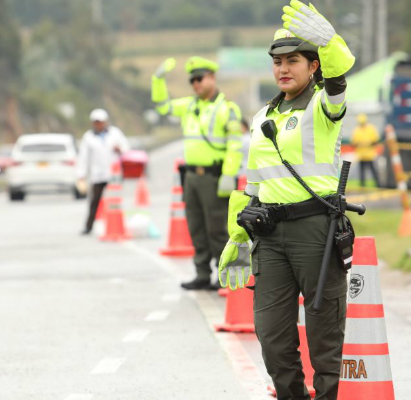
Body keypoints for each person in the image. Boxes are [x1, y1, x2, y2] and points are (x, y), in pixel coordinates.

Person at [218, 1, 355, 398]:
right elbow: (253, 184)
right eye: (277, 61)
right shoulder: (263, 117)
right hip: (270, 236)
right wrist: (237, 238)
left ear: (313, 66)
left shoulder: (323, 107)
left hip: (316, 230)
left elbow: (338, 82)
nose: (282, 69)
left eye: (293, 60)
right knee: (273, 338)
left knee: (324, 333)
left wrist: (330, 43)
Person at [151, 55, 244, 290]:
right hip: (191, 177)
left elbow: (235, 144)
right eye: (192, 80)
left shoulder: (227, 109)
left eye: (200, 79)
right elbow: (163, 106)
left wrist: (229, 174)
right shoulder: (189, 106)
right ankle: (202, 273)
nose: (196, 84)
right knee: (196, 227)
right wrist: (158, 80)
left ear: (212, 78)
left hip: (215, 177)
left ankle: (224, 277)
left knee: (217, 230)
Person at [77, 109, 130, 235]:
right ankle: (88, 226)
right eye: (96, 122)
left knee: (115, 201)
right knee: (94, 201)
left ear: (105, 122)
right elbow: (83, 158)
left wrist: (120, 149)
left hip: (114, 174)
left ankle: (117, 224)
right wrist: (81, 175)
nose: (98, 125)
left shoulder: (115, 133)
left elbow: (126, 148)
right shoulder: (88, 137)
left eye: (100, 122)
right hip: (98, 174)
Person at [350, 113, 381, 187]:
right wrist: (361, 144)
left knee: (374, 172)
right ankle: (362, 187)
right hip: (361, 155)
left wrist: (367, 144)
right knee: (362, 173)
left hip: (370, 155)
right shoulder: (357, 130)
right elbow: (353, 143)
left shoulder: (371, 128)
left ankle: (379, 185)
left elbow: (375, 141)